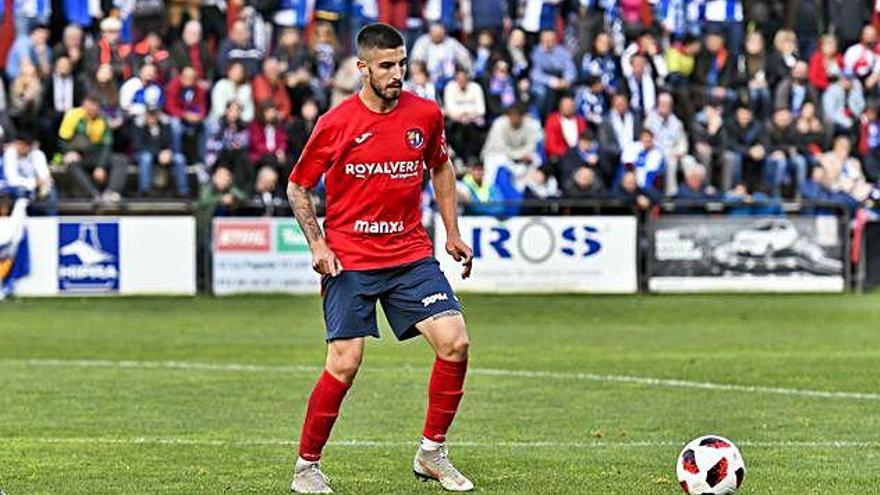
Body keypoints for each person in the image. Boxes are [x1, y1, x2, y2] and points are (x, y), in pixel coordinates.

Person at [286, 23, 474, 494]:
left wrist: (451, 232)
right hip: (349, 259)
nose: (397, 74)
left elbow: (442, 166)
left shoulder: (426, 114)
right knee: (345, 363)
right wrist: (318, 244)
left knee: (455, 341)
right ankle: (306, 468)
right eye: (387, 66)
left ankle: (432, 453)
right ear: (363, 68)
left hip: (410, 254)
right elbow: (297, 185)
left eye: (402, 63)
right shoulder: (336, 123)